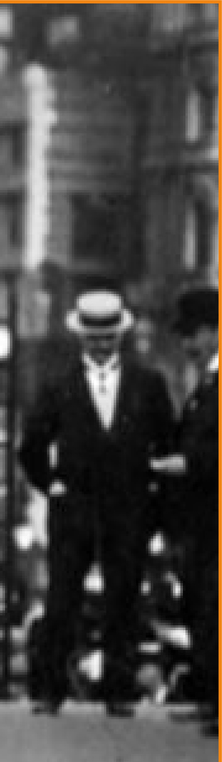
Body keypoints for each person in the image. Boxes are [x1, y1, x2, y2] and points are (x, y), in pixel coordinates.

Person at [19, 290, 178, 717]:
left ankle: (118, 691)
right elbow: (31, 445)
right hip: (74, 511)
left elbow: (168, 446)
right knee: (62, 599)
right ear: (81, 338)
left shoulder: (149, 384)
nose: (101, 346)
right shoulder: (58, 386)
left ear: (119, 337)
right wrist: (49, 484)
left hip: (129, 512)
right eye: (94, 338)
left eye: (108, 338)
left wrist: (154, 503)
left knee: (123, 599)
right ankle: (50, 691)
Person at [161, 287, 217, 736]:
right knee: (201, 606)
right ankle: (209, 697)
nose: (187, 345)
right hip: (199, 522)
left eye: (192, 334)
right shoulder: (206, 384)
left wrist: (189, 463)